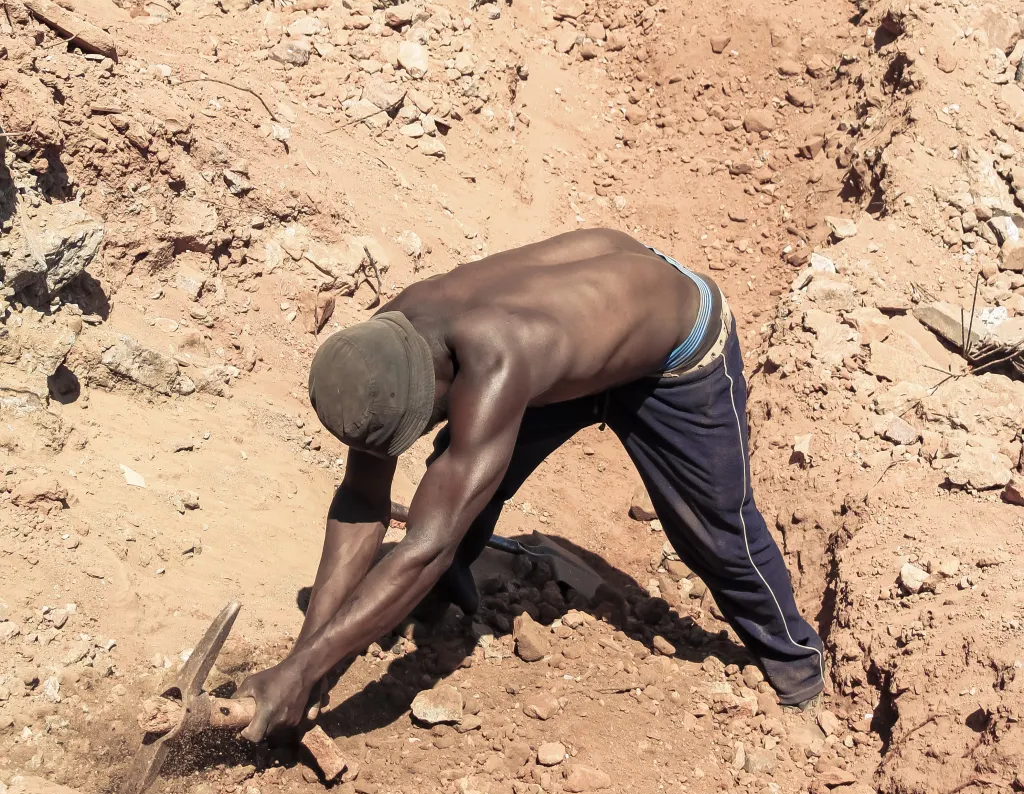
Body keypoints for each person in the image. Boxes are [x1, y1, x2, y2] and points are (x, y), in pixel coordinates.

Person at [239, 228, 824, 741]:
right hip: (575, 333)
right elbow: (362, 501)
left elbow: (427, 544)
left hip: (676, 341)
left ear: (436, 392)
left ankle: (797, 663)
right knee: (467, 475)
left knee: (714, 530)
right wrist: (304, 661)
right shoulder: (380, 348)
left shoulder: (497, 360)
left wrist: (301, 673)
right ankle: (446, 597)